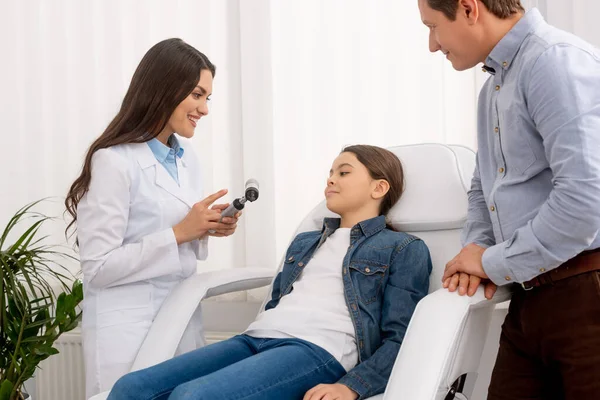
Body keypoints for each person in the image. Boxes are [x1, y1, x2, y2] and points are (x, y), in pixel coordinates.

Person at [106, 144, 432, 400]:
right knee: (131, 389)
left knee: (193, 397)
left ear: (379, 188)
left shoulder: (402, 248)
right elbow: (279, 301)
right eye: (330, 172)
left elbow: (400, 337)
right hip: (256, 339)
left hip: (317, 349)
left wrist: (353, 386)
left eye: (344, 172)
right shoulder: (306, 242)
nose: (330, 179)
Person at [418, 0, 600, 398]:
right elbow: (484, 187)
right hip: (529, 299)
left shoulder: (555, 62)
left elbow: (586, 201)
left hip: (587, 293)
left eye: (433, 26)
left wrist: (488, 262)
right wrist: (475, 247)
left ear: (468, 9)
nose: (432, 44)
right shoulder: (492, 91)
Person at [64, 38, 241, 398]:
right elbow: (97, 267)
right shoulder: (113, 161)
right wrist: (179, 233)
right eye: (196, 94)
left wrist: (206, 227)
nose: (204, 109)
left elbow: (174, 226)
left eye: (207, 98)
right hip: (127, 328)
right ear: (164, 88)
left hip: (179, 316)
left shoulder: (187, 157)